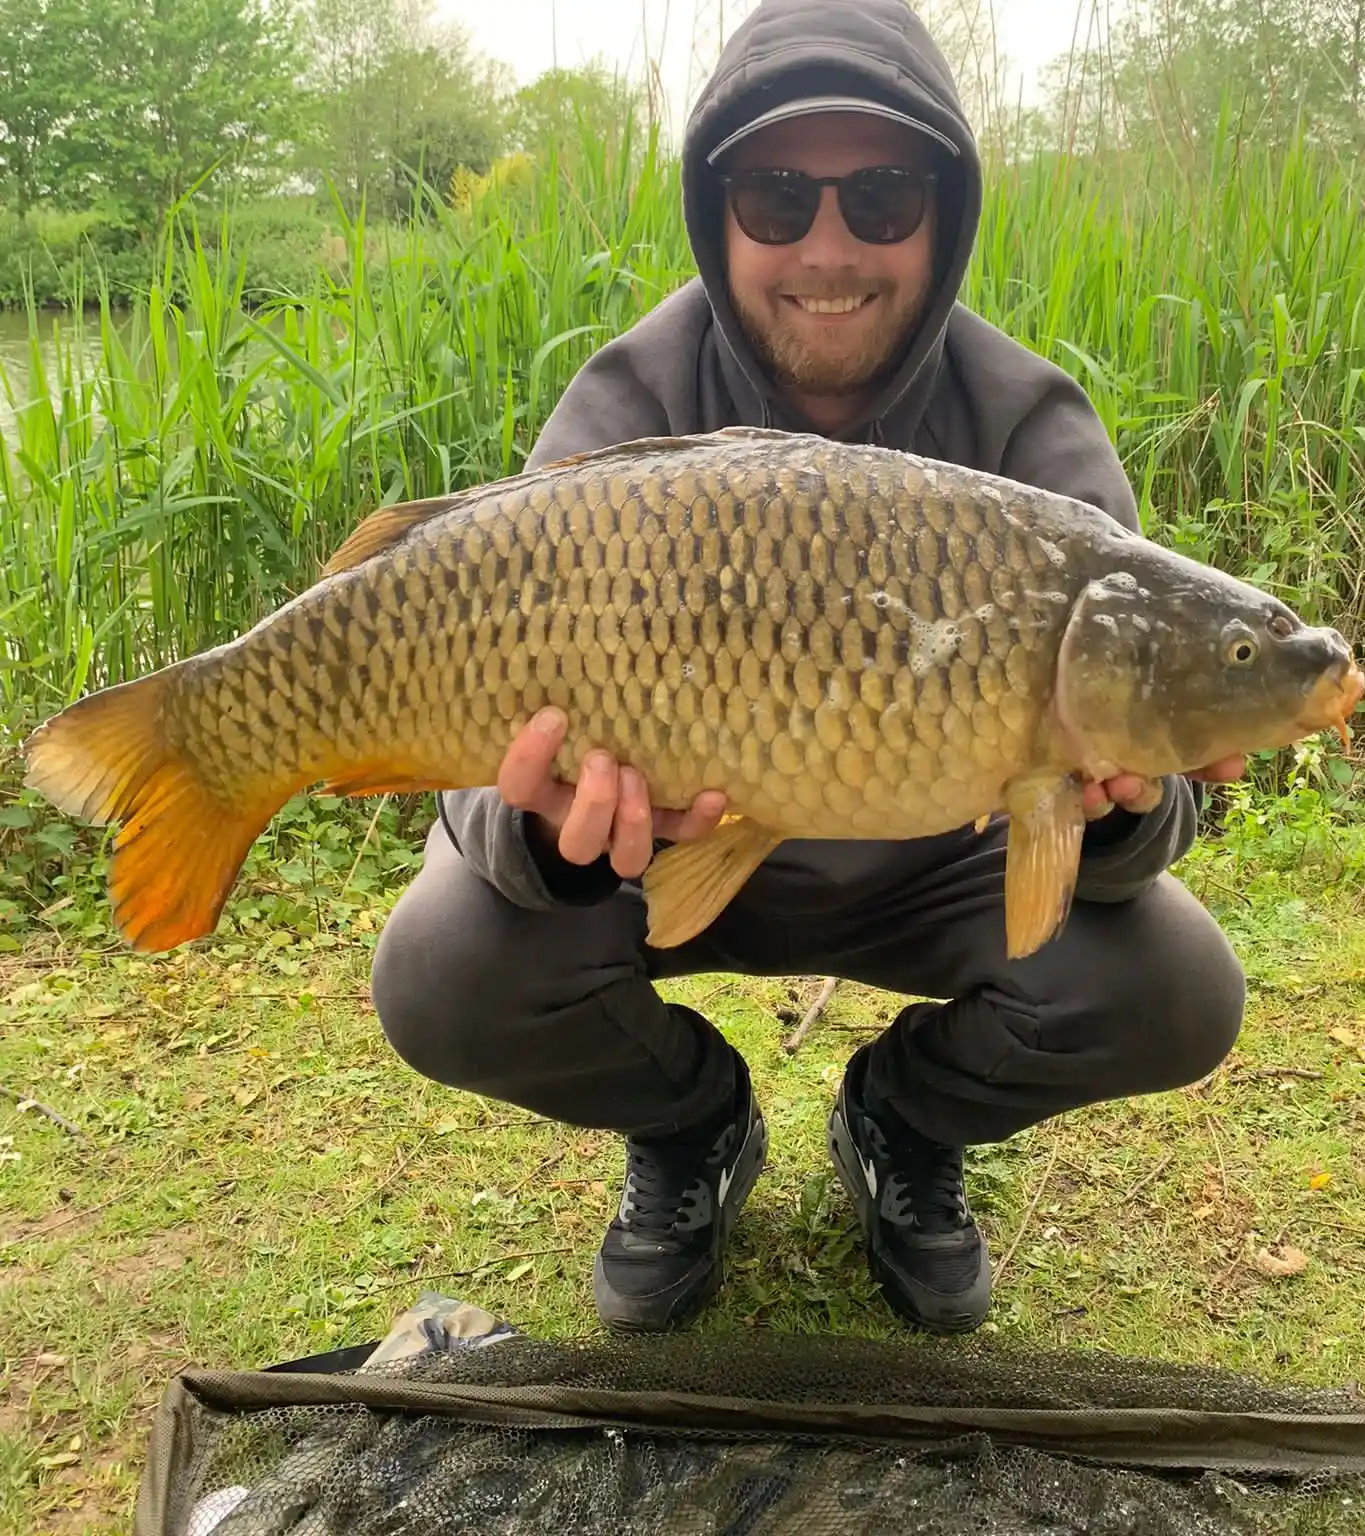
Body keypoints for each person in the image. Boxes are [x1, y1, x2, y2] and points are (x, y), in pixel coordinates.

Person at [371, 0, 1247, 1336]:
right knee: (442, 962)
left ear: (941, 217)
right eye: (778, 198)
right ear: (720, 217)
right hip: (671, 859)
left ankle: (902, 1123)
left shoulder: (1028, 427)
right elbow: (484, 779)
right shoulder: (632, 400)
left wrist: (1129, 809)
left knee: (1175, 987)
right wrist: (553, 837)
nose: (828, 249)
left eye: (882, 195)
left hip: (926, 863)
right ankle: (694, 1124)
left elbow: (1153, 801)